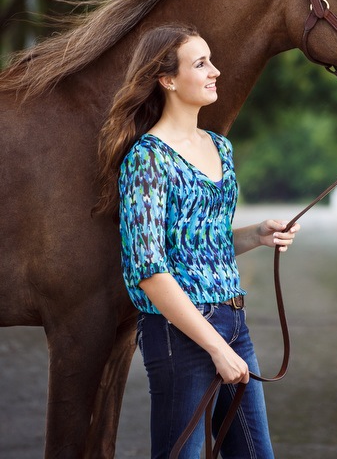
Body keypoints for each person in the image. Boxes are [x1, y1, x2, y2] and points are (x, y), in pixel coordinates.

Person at [96, 23, 300, 459]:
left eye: (211, 61)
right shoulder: (147, 159)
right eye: (201, 63)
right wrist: (215, 348)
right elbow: (148, 270)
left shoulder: (219, 147)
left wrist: (257, 235)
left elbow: (199, 242)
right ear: (167, 80)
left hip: (233, 320)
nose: (216, 72)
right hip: (178, 334)